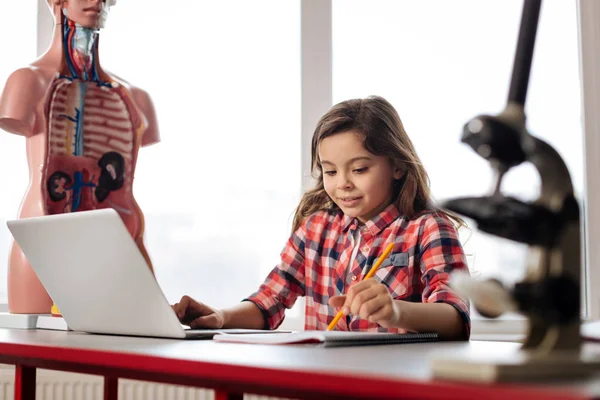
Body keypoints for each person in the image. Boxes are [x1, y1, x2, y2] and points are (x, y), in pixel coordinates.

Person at [172, 96, 470, 340]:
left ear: (397, 166)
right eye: (330, 171)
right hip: (323, 383)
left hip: (396, 385)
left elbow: (456, 318)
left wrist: (395, 311)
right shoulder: (316, 229)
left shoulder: (428, 228)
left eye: (359, 169)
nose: (342, 183)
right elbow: (268, 302)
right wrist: (221, 317)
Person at [0, 0, 160, 314]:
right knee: (40, 349)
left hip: (120, 243)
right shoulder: (28, 83)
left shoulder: (135, 99)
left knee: (134, 350)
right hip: (45, 240)